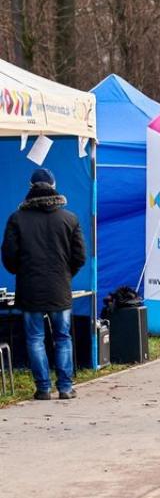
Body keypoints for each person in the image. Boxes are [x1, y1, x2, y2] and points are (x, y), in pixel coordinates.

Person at [1, 168, 87, 400]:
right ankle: (66, 388)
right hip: (60, 289)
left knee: (35, 339)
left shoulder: (17, 219)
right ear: (54, 186)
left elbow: (8, 256)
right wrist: (66, 274)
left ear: (30, 188)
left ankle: (43, 388)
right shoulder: (70, 219)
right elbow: (80, 256)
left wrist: (22, 272)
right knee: (63, 337)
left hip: (30, 290)